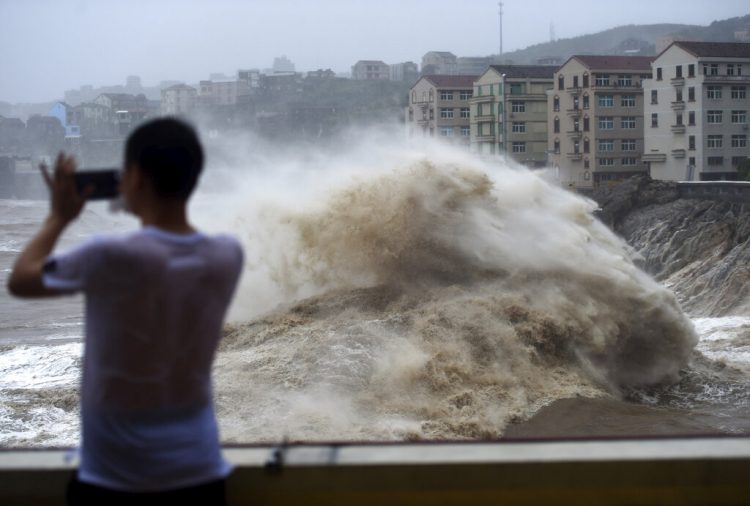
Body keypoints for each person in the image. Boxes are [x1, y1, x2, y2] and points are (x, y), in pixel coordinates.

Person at [7, 117, 243, 505]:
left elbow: (21, 280)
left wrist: (58, 218)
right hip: (200, 475)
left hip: (114, 481)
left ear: (135, 177)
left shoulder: (109, 256)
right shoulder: (226, 255)